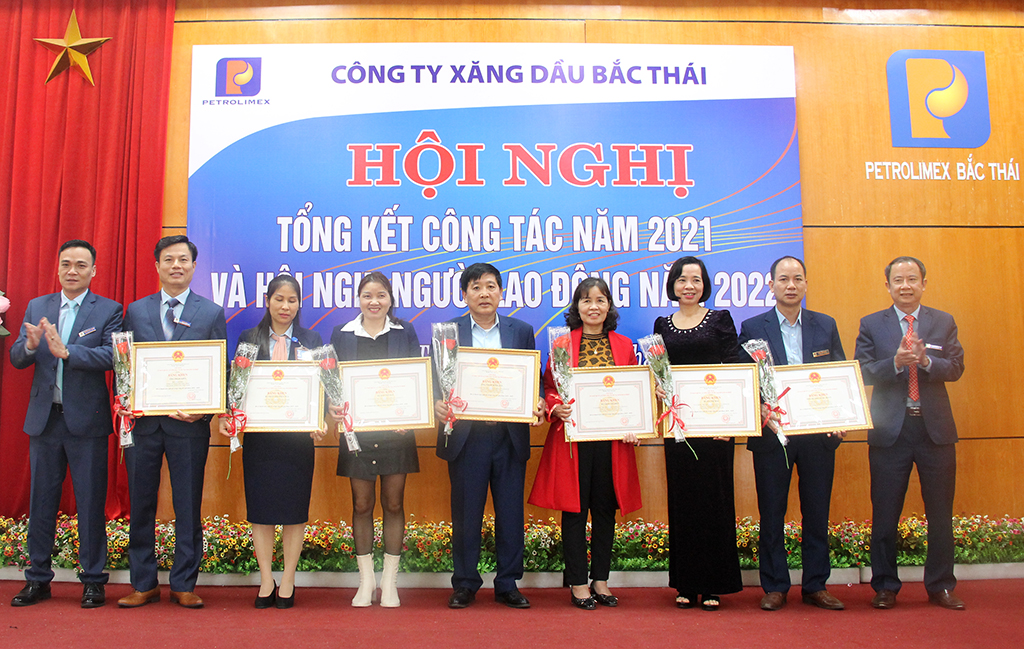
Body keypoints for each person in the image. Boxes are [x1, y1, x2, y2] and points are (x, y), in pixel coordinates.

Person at [8, 240, 122, 608]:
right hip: (45, 421)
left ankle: (93, 580)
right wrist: (30, 346)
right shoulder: (38, 306)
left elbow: (112, 355)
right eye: (66, 264)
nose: (72, 271)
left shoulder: (109, 310)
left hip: (87, 422)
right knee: (41, 502)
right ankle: (37, 579)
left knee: (90, 502)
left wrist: (68, 352)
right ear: (58, 268)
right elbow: (17, 357)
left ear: (93, 270)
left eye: (81, 265)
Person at [117, 236, 227, 609]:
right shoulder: (136, 310)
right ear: (157, 266)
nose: (176, 265)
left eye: (183, 259)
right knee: (141, 504)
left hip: (188, 426)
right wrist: (125, 402)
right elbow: (125, 363)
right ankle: (143, 583)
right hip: (144, 425)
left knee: (188, 505)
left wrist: (205, 410)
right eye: (168, 259)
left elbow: (220, 370)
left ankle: (183, 583)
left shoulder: (210, 313)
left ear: (194, 266)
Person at [855, 256, 965, 611]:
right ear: (887, 285)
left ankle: (941, 585)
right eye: (898, 280)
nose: (905, 286)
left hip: (935, 431)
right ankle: (885, 586)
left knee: (940, 514)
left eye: (912, 279)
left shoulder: (942, 321)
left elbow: (956, 367)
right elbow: (863, 371)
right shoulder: (872, 324)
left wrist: (927, 362)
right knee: (885, 514)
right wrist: (896, 363)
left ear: (923, 283)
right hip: (890, 432)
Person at [434, 262, 545, 609]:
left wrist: (538, 400)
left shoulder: (521, 330)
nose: (484, 293)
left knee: (510, 513)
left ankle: (507, 583)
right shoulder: (448, 331)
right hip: (467, 436)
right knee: (466, 514)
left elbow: (533, 376)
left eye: (490, 286)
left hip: (509, 435)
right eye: (476, 287)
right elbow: (437, 379)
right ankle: (465, 583)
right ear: (464, 294)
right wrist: (437, 402)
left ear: (501, 292)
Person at [738, 256, 846, 612]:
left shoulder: (825, 325)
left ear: (806, 284)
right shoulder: (753, 327)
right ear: (771, 285)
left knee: (817, 512)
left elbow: (839, 374)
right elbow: (744, 380)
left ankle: (816, 585)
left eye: (798, 278)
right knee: (772, 513)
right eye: (783, 279)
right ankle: (775, 586)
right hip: (773, 435)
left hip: (817, 436)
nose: (791, 285)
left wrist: (842, 415)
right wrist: (759, 407)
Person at [528, 278, 642, 610]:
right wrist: (555, 407)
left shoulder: (624, 345)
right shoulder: (562, 343)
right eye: (586, 300)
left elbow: (633, 390)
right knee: (575, 511)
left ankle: (600, 580)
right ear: (577, 307)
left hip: (612, 442)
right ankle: (578, 582)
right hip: (574, 441)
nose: (594, 306)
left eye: (600, 300)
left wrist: (635, 424)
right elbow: (550, 388)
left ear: (609, 306)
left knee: (605, 511)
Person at [221, 275, 324, 609]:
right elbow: (236, 386)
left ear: (299, 304)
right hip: (260, 439)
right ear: (267, 301)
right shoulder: (249, 339)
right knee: (261, 511)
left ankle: (289, 578)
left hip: (297, 441)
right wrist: (230, 415)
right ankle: (266, 579)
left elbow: (322, 385)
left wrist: (319, 418)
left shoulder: (311, 339)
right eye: (279, 299)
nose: (285, 306)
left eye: (292, 300)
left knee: (295, 511)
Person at [652, 255, 742, 611]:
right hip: (679, 427)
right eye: (682, 279)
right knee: (683, 502)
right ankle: (686, 584)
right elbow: (660, 371)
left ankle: (714, 584)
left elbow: (736, 367)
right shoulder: (662, 324)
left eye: (696, 279)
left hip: (716, 427)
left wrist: (732, 423)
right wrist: (658, 387)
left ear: (704, 285)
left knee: (714, 502)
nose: (688, 286)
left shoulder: (719, 319)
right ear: (672, 285)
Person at [329, 272, 421, 608]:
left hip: (397, 433)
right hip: (357, 434)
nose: (374, 301)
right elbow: (332, 382)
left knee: (394, 504)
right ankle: (366, 582)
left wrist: (412, 413)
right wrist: (333, 407)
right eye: (367, 295)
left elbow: (417, 377)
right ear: (358, 299)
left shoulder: (405, 331)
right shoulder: (341, 334)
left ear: (390, 299)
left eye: (381, 295)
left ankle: (389, 583)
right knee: (362, 505)